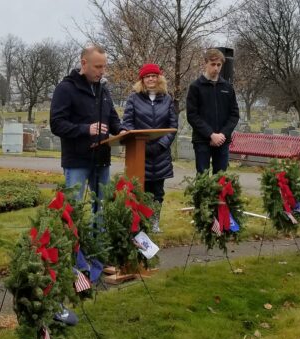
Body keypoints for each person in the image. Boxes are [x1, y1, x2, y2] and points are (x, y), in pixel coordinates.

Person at [49, 44, 123, 201]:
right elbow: (56, 124)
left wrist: (121, 131)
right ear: (84, 63)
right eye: (98, 66)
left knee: (102, 209)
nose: (102, 71)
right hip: (76, 160)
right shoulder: (65, 89)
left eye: (104, 66)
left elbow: (112, 117)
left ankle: (100, 227)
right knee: (73, 209)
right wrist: (86, 129)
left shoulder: (103, 89)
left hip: (102, 159)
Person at [120, 63, 178, 232]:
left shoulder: (167, 99)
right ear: (142, 80)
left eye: (154, 76)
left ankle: (154, 222)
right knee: (139, 190)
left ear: (159, 78)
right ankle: (139, 223)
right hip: (139, 153)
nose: (151, 79)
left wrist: (162, 144)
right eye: (147, 76)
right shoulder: (134, 98)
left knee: (157, 191)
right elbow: (128, 122)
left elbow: (173, 125)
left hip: (160, 154)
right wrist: (137, 142)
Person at [186, 48, 240, 174]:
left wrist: (222, 134)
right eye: (213, 64)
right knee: (202, 177)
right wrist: (211, 134)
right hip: (202, 140)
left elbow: (234, 114)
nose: (216, 68)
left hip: (222, 140)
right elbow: (192, 115)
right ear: (205, 63)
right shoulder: (196, 87)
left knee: (220, 179)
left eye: (219, 65)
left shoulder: (227, 87)